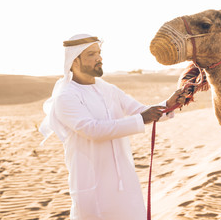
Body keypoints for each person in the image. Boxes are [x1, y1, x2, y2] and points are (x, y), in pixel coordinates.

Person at [39, 34, 187, 220]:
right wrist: (141, 118)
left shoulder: (107, 89)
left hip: (125, 184)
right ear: (74, 60)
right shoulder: (66, 96)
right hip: (92, 187)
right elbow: (92, 130)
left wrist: (169, 104)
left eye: (99, 53)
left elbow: (140, 111)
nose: (99, 58)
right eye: (92, 54)